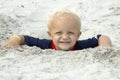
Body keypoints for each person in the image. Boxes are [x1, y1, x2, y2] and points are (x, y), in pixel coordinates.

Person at [0, 10, 111, 51]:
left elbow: (101, 37)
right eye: (58, 33)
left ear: (78, 35)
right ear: (50, 35)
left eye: (71, 33)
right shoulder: (46, 44)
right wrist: (14, 41)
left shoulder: (80, 45)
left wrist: (105, 46)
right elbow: (24, 38)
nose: (65, 37)